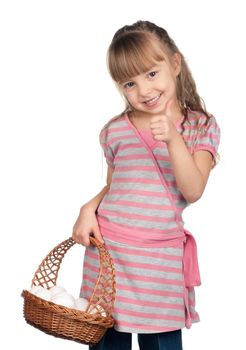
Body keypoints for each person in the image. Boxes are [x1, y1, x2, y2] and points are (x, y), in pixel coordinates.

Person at [72, 20, 221, 350]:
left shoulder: (200, 126)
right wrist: (88, 208)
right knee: (107, 341)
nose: (143, 90)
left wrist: (172, 138)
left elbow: (193, 189)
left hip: (158, 260)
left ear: (175, 64)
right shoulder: (114, 130)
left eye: (151, 74)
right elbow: (117, 185)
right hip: (109, 254)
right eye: (129, 83)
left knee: (161, 341)